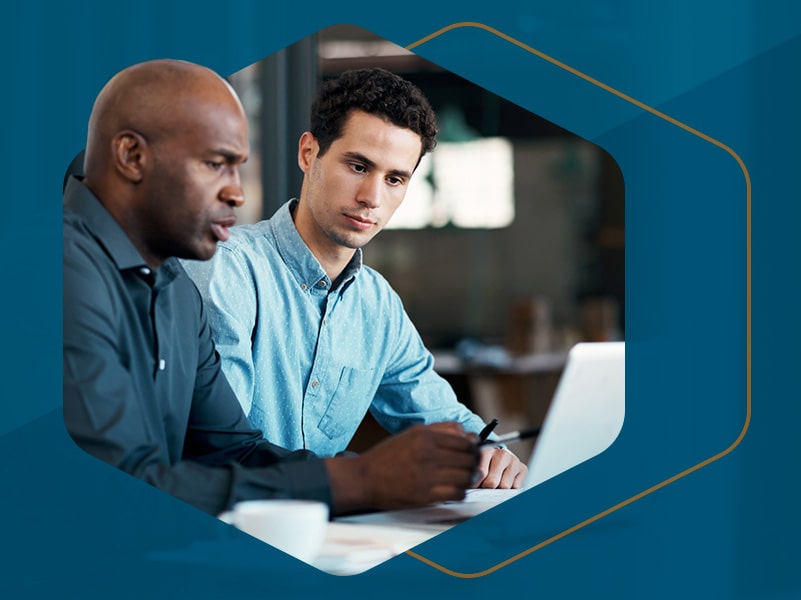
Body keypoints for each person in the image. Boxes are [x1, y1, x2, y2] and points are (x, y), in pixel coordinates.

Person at [63, 59, 481, 517]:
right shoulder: (60, 268)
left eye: (237, 167)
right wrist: (361, 480)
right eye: (215, 164)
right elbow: (118, 485)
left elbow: (231, 449)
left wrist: (379, 476)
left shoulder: (172, 286)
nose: (237, 194)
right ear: (132, 156)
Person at [182, 68, 528, 488]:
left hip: (333, 536)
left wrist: (492, 454)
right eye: (359, 166)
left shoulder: (377, 305)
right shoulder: (227, 269)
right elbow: (220, 449)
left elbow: (440, 415)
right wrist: (364, 476)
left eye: (395, 179)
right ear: (309, 153)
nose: (372, 198)